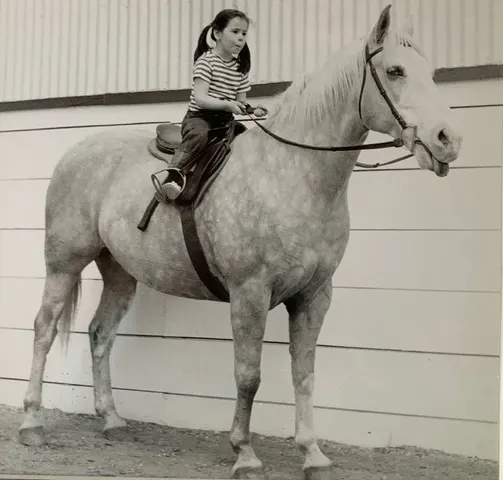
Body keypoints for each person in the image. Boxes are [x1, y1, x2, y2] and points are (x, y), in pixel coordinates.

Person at [161, 8, 267, 201]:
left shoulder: (240, 69)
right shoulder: (206, 62)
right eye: (235, 32)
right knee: (199, 137)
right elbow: (201, 98)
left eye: (244, 34)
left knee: (247, 141)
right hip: (200, 118)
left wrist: (252, 109)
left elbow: (240, 103)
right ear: (217, 34)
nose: (241, 38)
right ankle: (174, 174)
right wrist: (228, 105)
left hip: (225, 122)